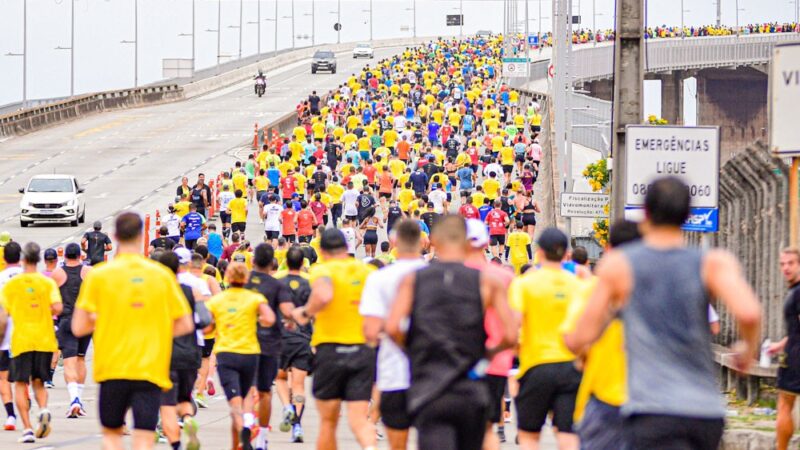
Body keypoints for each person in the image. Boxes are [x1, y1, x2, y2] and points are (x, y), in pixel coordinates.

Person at [564, 177, 763, 450]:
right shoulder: (712, 263)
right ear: (687, 214)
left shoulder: (620, 265)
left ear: (645, 214)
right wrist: (747, 351)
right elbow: (750, 313)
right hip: (704, 411)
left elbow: (579, 337)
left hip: (651, 410)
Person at [385, 215, 517, 450]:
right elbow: (510, 335)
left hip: (430, 386)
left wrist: (414, 349)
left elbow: (393, 327)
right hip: (470, 386)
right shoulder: (487, 282)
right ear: (468, 243)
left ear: (433, 241)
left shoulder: (413, 280)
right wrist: (486, 354)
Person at [72, 212, 195, 450]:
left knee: (112, 434)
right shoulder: (161, 275)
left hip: (112, 367)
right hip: (150, 368)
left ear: (115, 236)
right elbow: (185, 324)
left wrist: (108, 318)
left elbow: (79, 326)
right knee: (144, 435)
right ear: (141, 235)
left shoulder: (99, 275)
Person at [289, 229, 377, 450]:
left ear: (323, 251)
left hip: (331, 349)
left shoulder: (323, 270)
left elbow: (323, 294)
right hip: (362, 348)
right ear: (346, 248)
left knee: (328, 422)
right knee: (359, 420)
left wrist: (305, 313)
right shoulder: (366, 271)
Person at [509, 227, 583, 450]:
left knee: (529, 435)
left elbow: (513, 328)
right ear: (565, 254)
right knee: (568, 434)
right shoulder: (577, 286)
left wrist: (516, 355)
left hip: (535, 366)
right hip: (572, 367)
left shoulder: (523, 285)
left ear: (539, 252)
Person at [361, 219, 427, 450]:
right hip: (433, 374)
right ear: (422, 241)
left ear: (394, 242)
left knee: (397, 442)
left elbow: (369, 331)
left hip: (394, 373)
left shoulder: (379, 278)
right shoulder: (437, 275)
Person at [205, 262, 275, 450]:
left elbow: (207, 327)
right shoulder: (255, 298)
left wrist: (215, 326)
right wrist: (255, 320)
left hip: (226, 354)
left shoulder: (217, 300)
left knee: (234, 403)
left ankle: (242, 429)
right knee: (248, 397)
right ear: (246, 279)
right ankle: (247, 424)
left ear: (227, 278)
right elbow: (269, 319)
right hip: (250, 353)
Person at [0, 242, 62, 443]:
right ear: (39, 260)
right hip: (44, 339)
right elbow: (58, 307)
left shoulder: (12, 285)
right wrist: (44, 312)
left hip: (20, 340)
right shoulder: (47, 282)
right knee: (39, 382)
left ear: (24, 259)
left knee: (19, 384)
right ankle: (43, 409)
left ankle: (27, 428)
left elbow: (3, 316)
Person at [463, 219, 516, 447]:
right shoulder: (505, 277)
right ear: (486, 242)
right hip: (495, 362)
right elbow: (514, 323)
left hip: (457, 362)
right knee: (488, 429)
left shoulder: (450, 274)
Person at [244, 244, 294, 450]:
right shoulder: (277, 286)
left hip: (244, 341)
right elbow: (288, 311)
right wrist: (291, 321)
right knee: (265, 391)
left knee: (247, 389)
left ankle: (247, 423)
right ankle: (262, 438)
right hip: (269, 343)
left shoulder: (244, 282)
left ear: (253, 261)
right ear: (272, 262)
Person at [155, 251, 203, 450]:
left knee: (166, 406)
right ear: (179, 268)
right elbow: (206, 319)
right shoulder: (192, 291)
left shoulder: (156, 293)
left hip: (166, 356)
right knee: (184, 399)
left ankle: (176, 445)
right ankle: (188, 418)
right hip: (190, 353)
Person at [275, 247, 314, 443]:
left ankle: (286, 407)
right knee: (298, 385)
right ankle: (297, 425)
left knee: (281, 379)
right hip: (303, 339)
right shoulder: (309, 285)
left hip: (281, 337)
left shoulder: (278, 284)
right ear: (302, 263)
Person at [50, 243, 92, 419]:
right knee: (81, 359)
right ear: (80, 256)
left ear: (65, 256)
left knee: (69, 361)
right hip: (85, 319)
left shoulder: (58, 274)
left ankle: (74, 398)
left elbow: (51, 299)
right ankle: (79, 399)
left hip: (66, 320)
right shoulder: (88, 273)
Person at [769, 247, 800, 450]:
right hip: (792, 348)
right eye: (782, 264)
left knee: (784, 404)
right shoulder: (794, 291)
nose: (786, 268)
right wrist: (781, 344)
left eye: (791, 263)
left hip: (796, 356)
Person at [0, 241, 22, 432]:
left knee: (3, 379)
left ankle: (11, 416)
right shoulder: (30, 277)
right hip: (27, 336)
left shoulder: (0, 279)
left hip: (5, 337)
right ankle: (30, 418)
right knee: (25, 380)